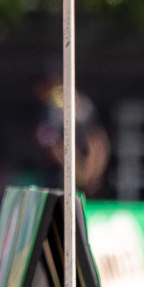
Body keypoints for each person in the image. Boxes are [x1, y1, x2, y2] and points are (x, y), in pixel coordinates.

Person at [33, 65, 111, 196]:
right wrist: (87, 173)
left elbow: (97, 141)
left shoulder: (52, 108)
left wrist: (84, 174)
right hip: (76, 173)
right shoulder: (83, 103)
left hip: (69, 176)